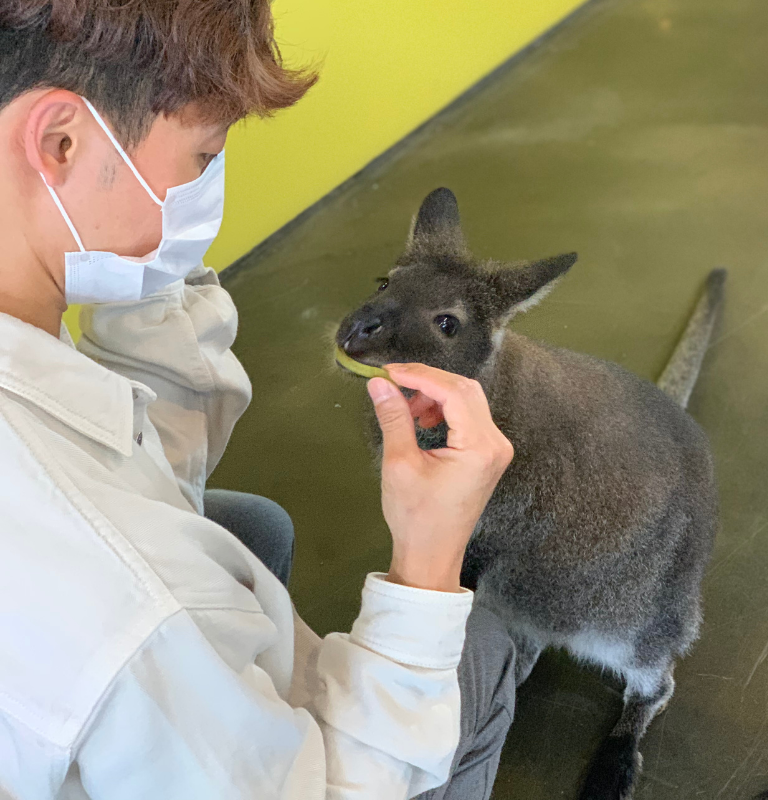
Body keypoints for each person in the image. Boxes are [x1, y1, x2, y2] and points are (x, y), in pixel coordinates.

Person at [0, 2, 520, 797]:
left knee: (254, 528)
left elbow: (125, 466)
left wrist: (144, 266)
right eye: (204, 155)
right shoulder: (131, 605)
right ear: (58, 142)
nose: (207, 187)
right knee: (485, 644)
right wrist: (428, 561)